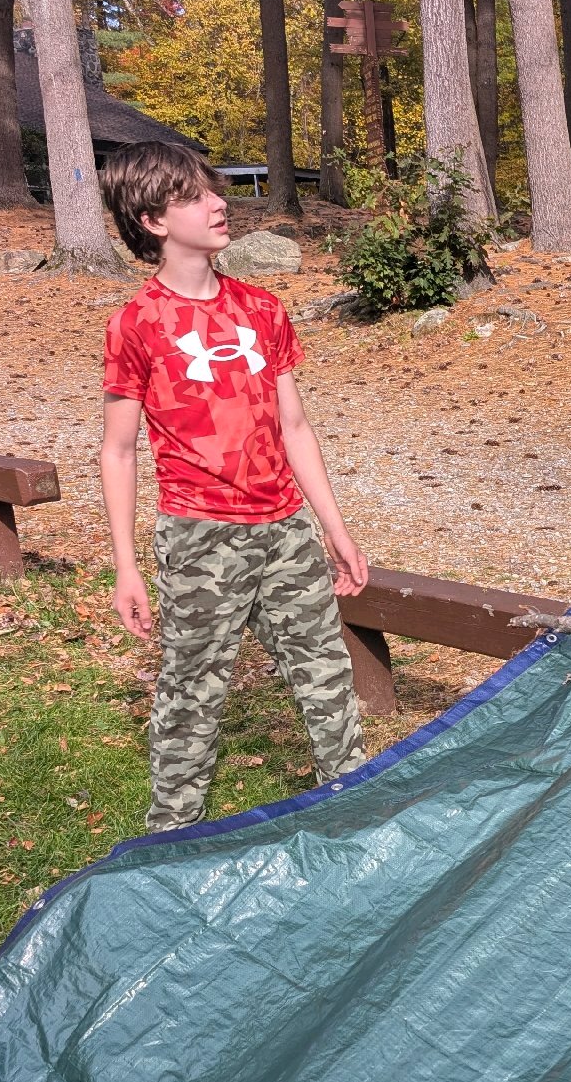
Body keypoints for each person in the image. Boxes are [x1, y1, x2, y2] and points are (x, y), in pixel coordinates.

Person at [99, 142, 371, 833]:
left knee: (327, 676)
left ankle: (355, 807)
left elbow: (296, 427)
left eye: (213, 189)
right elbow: (119, 449)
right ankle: (173, 832)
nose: (218, 203)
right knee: (193, 691)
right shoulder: (137, 325)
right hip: (198, 537)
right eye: (193, 196)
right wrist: (126, 567)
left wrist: (335, 530)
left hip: (285, 529)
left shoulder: (263, 308)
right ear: (153, 218)